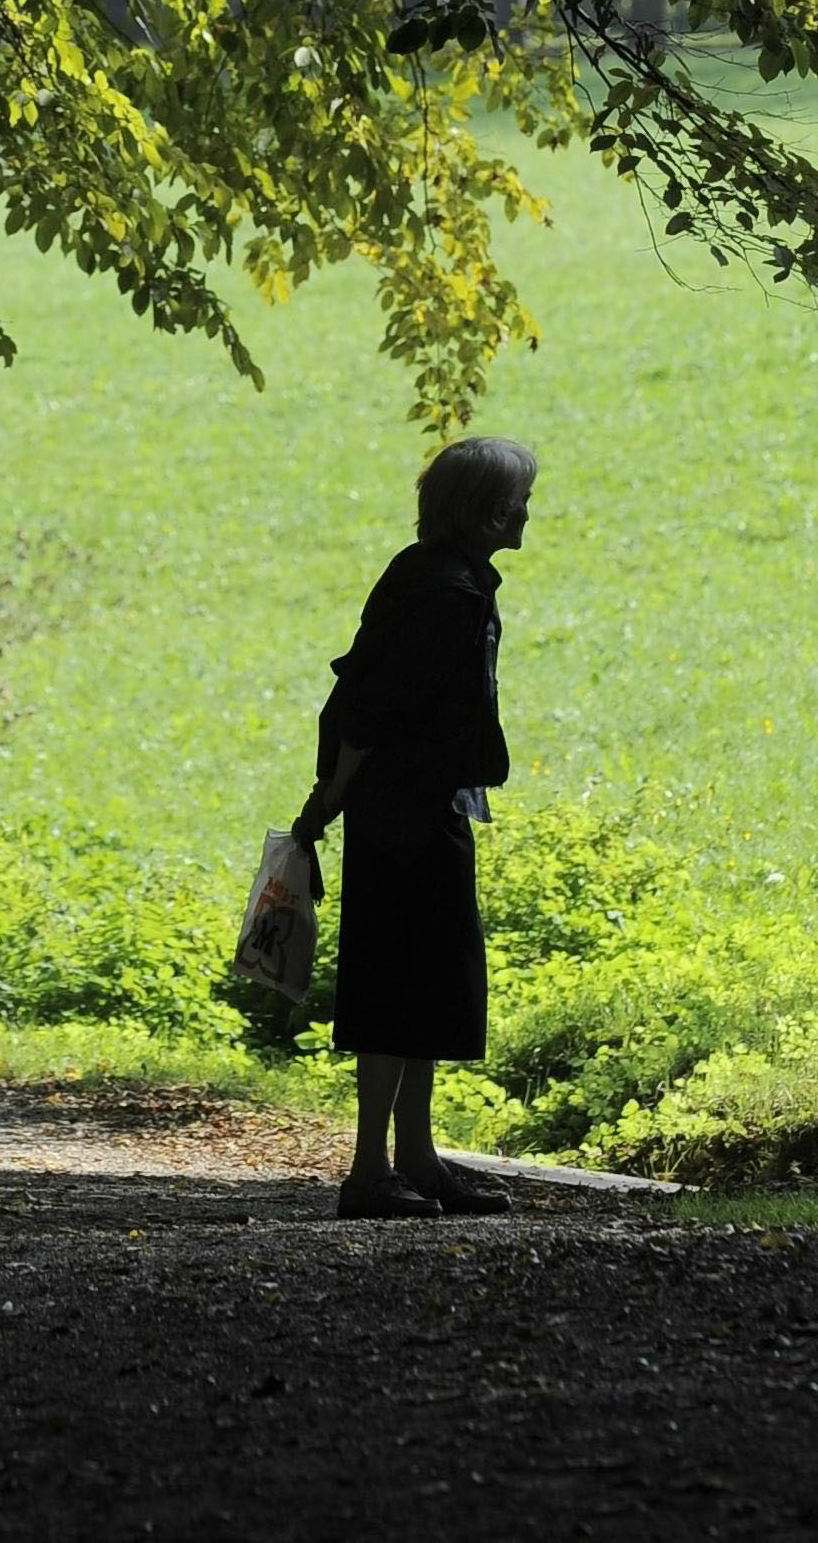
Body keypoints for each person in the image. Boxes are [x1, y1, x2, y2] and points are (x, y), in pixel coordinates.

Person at [289, 435, 534, 1221]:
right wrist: (328, 801)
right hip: (404, 815)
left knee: (428, 982)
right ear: (493, 511)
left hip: (427, 807)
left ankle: (417, 1159)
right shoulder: (445, 595)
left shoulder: (432, 575)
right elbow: (371, 709)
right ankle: (369, 1172)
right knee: (397, 985)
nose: (529, 510)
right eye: (520, 498)